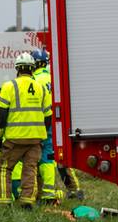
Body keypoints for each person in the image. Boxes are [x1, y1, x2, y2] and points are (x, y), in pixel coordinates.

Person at [0, 52, 52, 208]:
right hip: (35, 140)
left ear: (17, 69)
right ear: (32, 69)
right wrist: (41, 134)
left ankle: (4, 201)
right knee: (30, 170)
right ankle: (27, 201)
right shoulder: (41, 88)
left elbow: (2, 116)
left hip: (15, 138)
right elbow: (48, 116)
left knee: (4, 169)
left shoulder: (9, 86)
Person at [31, 48, 84, 201]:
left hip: (44, 122)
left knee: (44, 157)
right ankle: (75, 189)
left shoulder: (34, 80)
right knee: (61, 157)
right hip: (60, 122)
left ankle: (45, 192)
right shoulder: (55, 78)